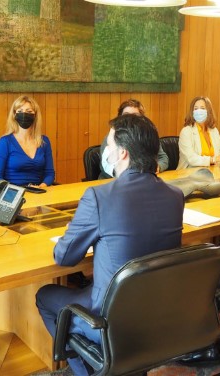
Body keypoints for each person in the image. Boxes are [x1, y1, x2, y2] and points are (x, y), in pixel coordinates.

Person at [35, 114, 184, 376]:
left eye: (109, 145)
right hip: (159, 310)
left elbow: (64, 257)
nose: (106, 150)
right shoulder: (175, 196)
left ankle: (90, 369)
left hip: (108, 317)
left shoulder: (98, 197)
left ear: (123, 154)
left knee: (45, 296)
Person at [0, 95, 55, 188]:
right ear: (14, 115)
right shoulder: (5, 142)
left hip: (38, 193)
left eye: (29, 111)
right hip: (12, 195)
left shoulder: (44, 141)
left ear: (35, 115)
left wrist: (42, 186)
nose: (24, 114)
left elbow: (49, 173)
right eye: (20, 111)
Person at [97, 98, 169, 179]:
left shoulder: (147, 136)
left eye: (134, 116)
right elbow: (106, 166)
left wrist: (158, 167)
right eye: (126, 115)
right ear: (119, 117)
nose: (130, 120)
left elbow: (163, 158)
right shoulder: (112, 137)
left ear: (142, 119)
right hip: (111, 182)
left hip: (142, 180)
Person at [177, 96, 220, 169]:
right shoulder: (186, 131)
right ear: (192, 112)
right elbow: (191, 159)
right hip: (189, 174)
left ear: (209, 111)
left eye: (202, 108)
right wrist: (214, 159)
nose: (199, 111)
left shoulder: (214, 130)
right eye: (195, 109)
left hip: (212, 172)